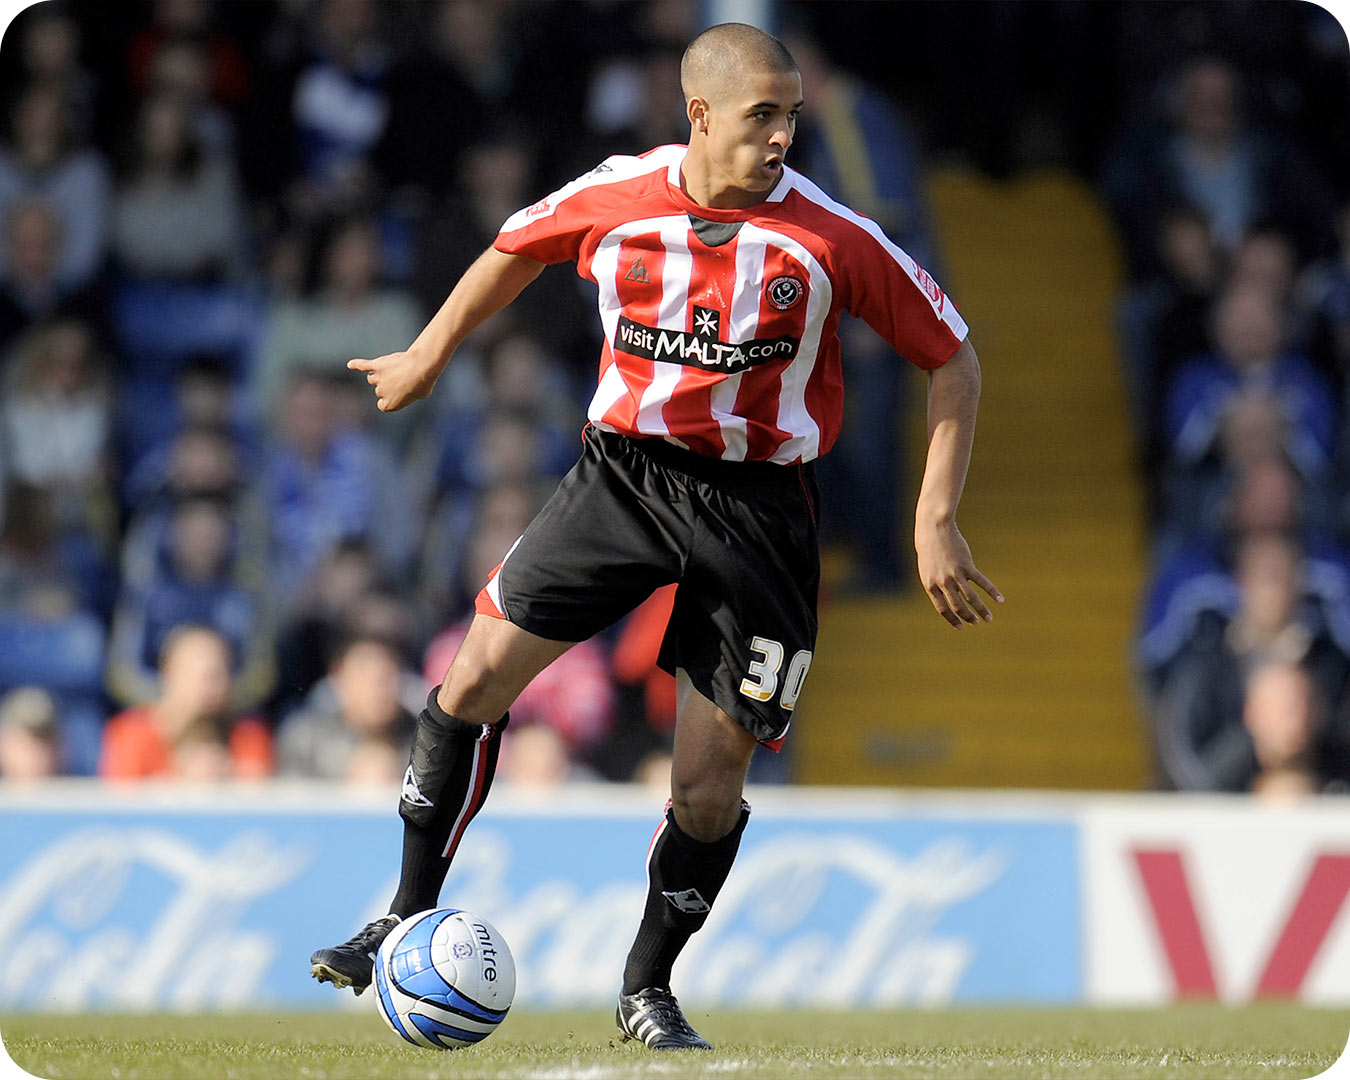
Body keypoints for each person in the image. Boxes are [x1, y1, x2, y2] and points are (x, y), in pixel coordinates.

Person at [310, 24, 1001, 1051]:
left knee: (708, 786)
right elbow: (515, 245)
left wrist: (933, 516)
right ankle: (401, 914)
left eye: (793, 117)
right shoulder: (619, 195)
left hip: (760, 510)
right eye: (764, 116)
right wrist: (428, 353)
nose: (782, 138)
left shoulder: (830, 238)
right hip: (624, 477)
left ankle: (646, 986)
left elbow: (954, 358)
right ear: (702, 115)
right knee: (470, 683)